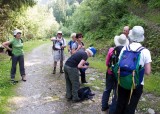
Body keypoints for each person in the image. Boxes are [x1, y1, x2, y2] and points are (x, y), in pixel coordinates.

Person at [114, 26, 152, 114]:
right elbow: (147, 72)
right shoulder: (145, 51)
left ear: (131, 35)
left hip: (123, 80)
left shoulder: (125, 48)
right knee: (131, 106)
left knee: (120, 103)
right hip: (137, 83)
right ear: (141, 37)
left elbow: (119, 65)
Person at [101, 34, 129, 114]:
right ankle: (112, 109)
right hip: (119, 74)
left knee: (107, 89)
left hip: (110, 73)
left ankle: (104, 106)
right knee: (116, 92)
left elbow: (107, 63)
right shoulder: (125, 52)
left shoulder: (111, 50)